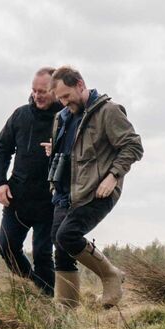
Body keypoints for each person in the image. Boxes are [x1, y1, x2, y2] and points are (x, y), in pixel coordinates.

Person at [46, 66, 141, 307]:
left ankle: (111, 275)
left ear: (80, 84)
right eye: (60, 99)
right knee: (60, 245)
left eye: (67, 96)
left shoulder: (108, 112)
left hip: (96, 190)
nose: (64, 102)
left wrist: (113, 176)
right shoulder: (62, 118)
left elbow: (133, 146)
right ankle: (67, 309)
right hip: (65, 192)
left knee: (68, 236)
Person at [0, 67, 60, 293]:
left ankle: (49, 302)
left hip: (49, 202)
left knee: (42, 254)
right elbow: (2, 149)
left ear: (56, 90)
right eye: (34, 90)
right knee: (7, 248)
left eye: (43, 91)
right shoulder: (20, 115)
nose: (37, 95)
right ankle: (32, 288)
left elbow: (83, 153)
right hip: (18, 197)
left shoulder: (67, 119)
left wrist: (58, 150)